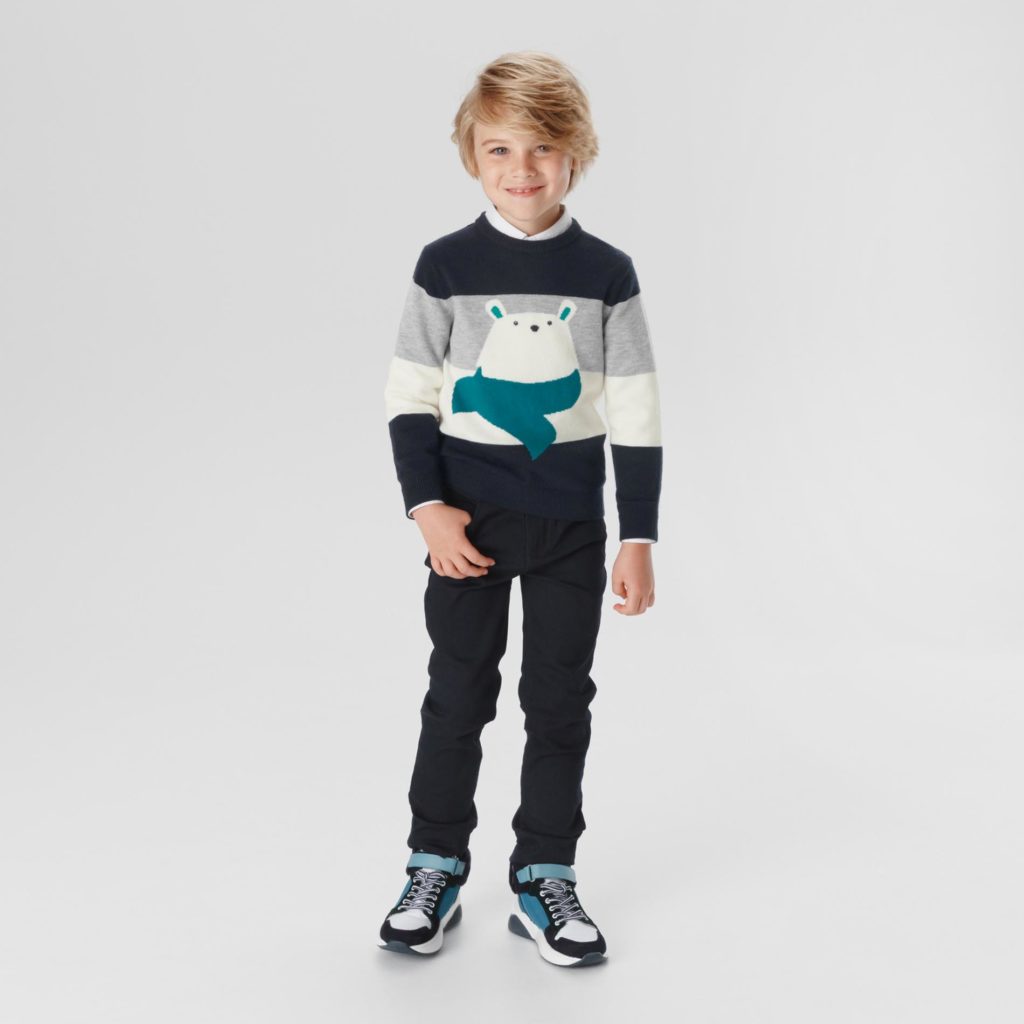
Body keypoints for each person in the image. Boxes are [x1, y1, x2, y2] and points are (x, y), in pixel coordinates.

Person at [377, 50, 662, 968]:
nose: (522, 168)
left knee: (558, 700)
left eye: (542, 147)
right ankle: (434, 864)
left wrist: (639, 535)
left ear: (576, 154)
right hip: (468, 526)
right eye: (500, 148)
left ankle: (545, 873)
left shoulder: (607, 272)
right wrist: (427, 507)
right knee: (458, 694)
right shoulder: (446, 266)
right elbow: (410, 396)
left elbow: (636, 411)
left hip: (572, 530)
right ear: (472, 155)